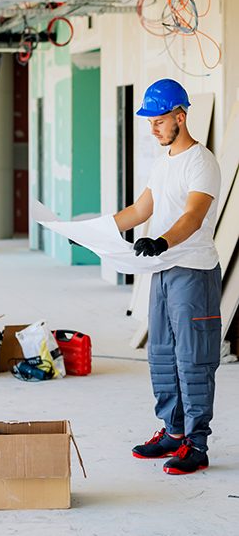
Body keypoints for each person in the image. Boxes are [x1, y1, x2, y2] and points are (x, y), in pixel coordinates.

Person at [113, 78, 221, 475]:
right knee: (160, 355)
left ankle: (197, 443)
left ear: (181, 115)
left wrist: (161, 241)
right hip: (161, 272)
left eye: (159, 120)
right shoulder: (163, 164)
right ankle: (173, 433)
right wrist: (94, 231)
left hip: (193, 272)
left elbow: (192, 216)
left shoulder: (201, 162)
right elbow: (140, 210)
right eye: (150, 121)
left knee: (194, 359)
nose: (153, 127)